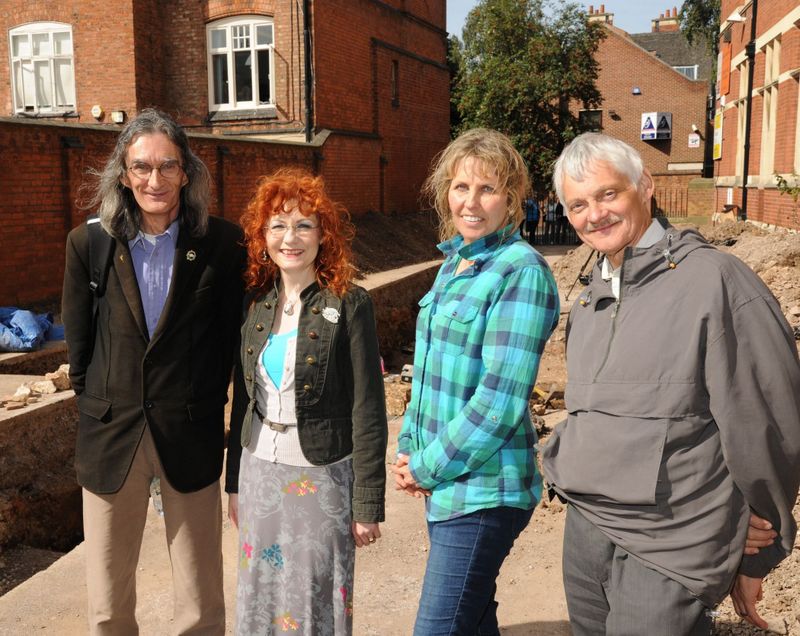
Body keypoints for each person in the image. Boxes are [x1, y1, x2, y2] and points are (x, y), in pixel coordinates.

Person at [542, 132, 800, 634]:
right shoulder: (592, 295)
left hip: (669, 547)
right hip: (586, 533)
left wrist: (754, 554)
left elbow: (769, 425)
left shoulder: (716, 283)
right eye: (578, 204)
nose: (594, 215)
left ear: (645, 185)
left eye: (608, 194)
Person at [62, 108, 245, 634]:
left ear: (186, 172)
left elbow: (233, 342)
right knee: (108, 602)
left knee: (199, 598)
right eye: (141, 167)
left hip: (190, 434)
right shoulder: (89, 244)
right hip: (111, 436)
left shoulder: (222, 245)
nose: (154, 180)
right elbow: (80, 352)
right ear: (123, 172)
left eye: (167, 166)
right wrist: (104, 402)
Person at [391, 128, 560, 635]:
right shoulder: (456, 262)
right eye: (461, 187)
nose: (472, 201)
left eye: (487, 189)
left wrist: (425, 465)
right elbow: (430, 376)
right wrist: (407, 445)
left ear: (511, 198)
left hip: (486, 492)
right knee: (474, 622)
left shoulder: (519, 271)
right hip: (450, 484)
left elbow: (499, 402)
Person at [226, 167, 388, 635]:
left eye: (303, 225)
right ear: (263, 237)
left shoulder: (350, 304)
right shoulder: (255, 303)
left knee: (315, 592)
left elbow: (368, 409)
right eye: (277, 225)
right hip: (259, 471)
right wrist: (233, 482)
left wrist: (367, 502)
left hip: (323, 475)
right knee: (260, 589)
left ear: (323, 235)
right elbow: (244, 400)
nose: (289, 237)